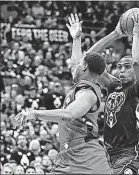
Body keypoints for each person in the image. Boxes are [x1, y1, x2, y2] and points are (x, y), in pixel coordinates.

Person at [12, 14, 112, 174]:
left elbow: (69, 114)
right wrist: (76, 39)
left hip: (88, 158)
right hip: (69, 156)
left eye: (80, 64)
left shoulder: (87, 93)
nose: (74, 65)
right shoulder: (82, 84)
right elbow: (75, 62)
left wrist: (33, 113)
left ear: (85, 67)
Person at [70, 13, 139, 174]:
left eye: (126, 67)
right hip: (107, 152)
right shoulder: (113, 85)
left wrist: (136, 36)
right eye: (119, 67)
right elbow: (88, 61)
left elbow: (137, 62)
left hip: (130, 153)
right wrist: (115, 34)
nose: (121, 70)